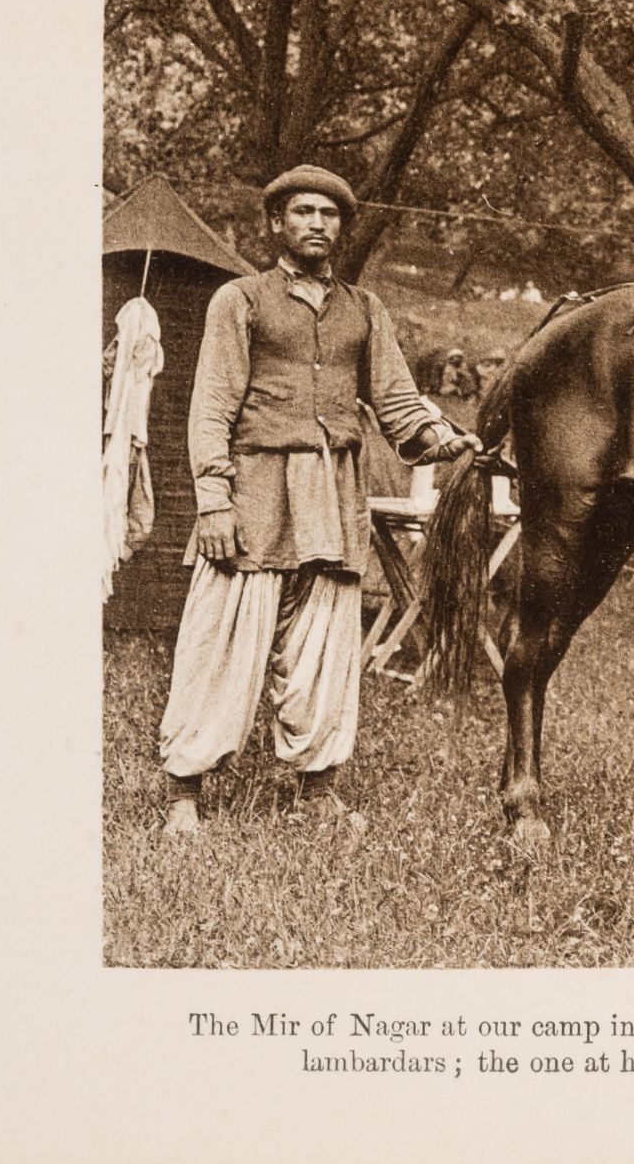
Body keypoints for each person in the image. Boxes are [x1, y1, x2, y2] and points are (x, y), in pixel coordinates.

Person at [158, 165, 481, 835]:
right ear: (277, 223)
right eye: (302, 211)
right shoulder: (240, 301)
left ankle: (317, 788)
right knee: (224, 634)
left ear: (341, 227)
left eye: (328, 214)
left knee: (325, 636)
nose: (316, 223)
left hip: (335, 492)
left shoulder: (365, 310)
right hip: (255, 487)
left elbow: (395, 401)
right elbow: (212, 404)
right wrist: (213, 497)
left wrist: (436, 435)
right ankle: (185, 789)